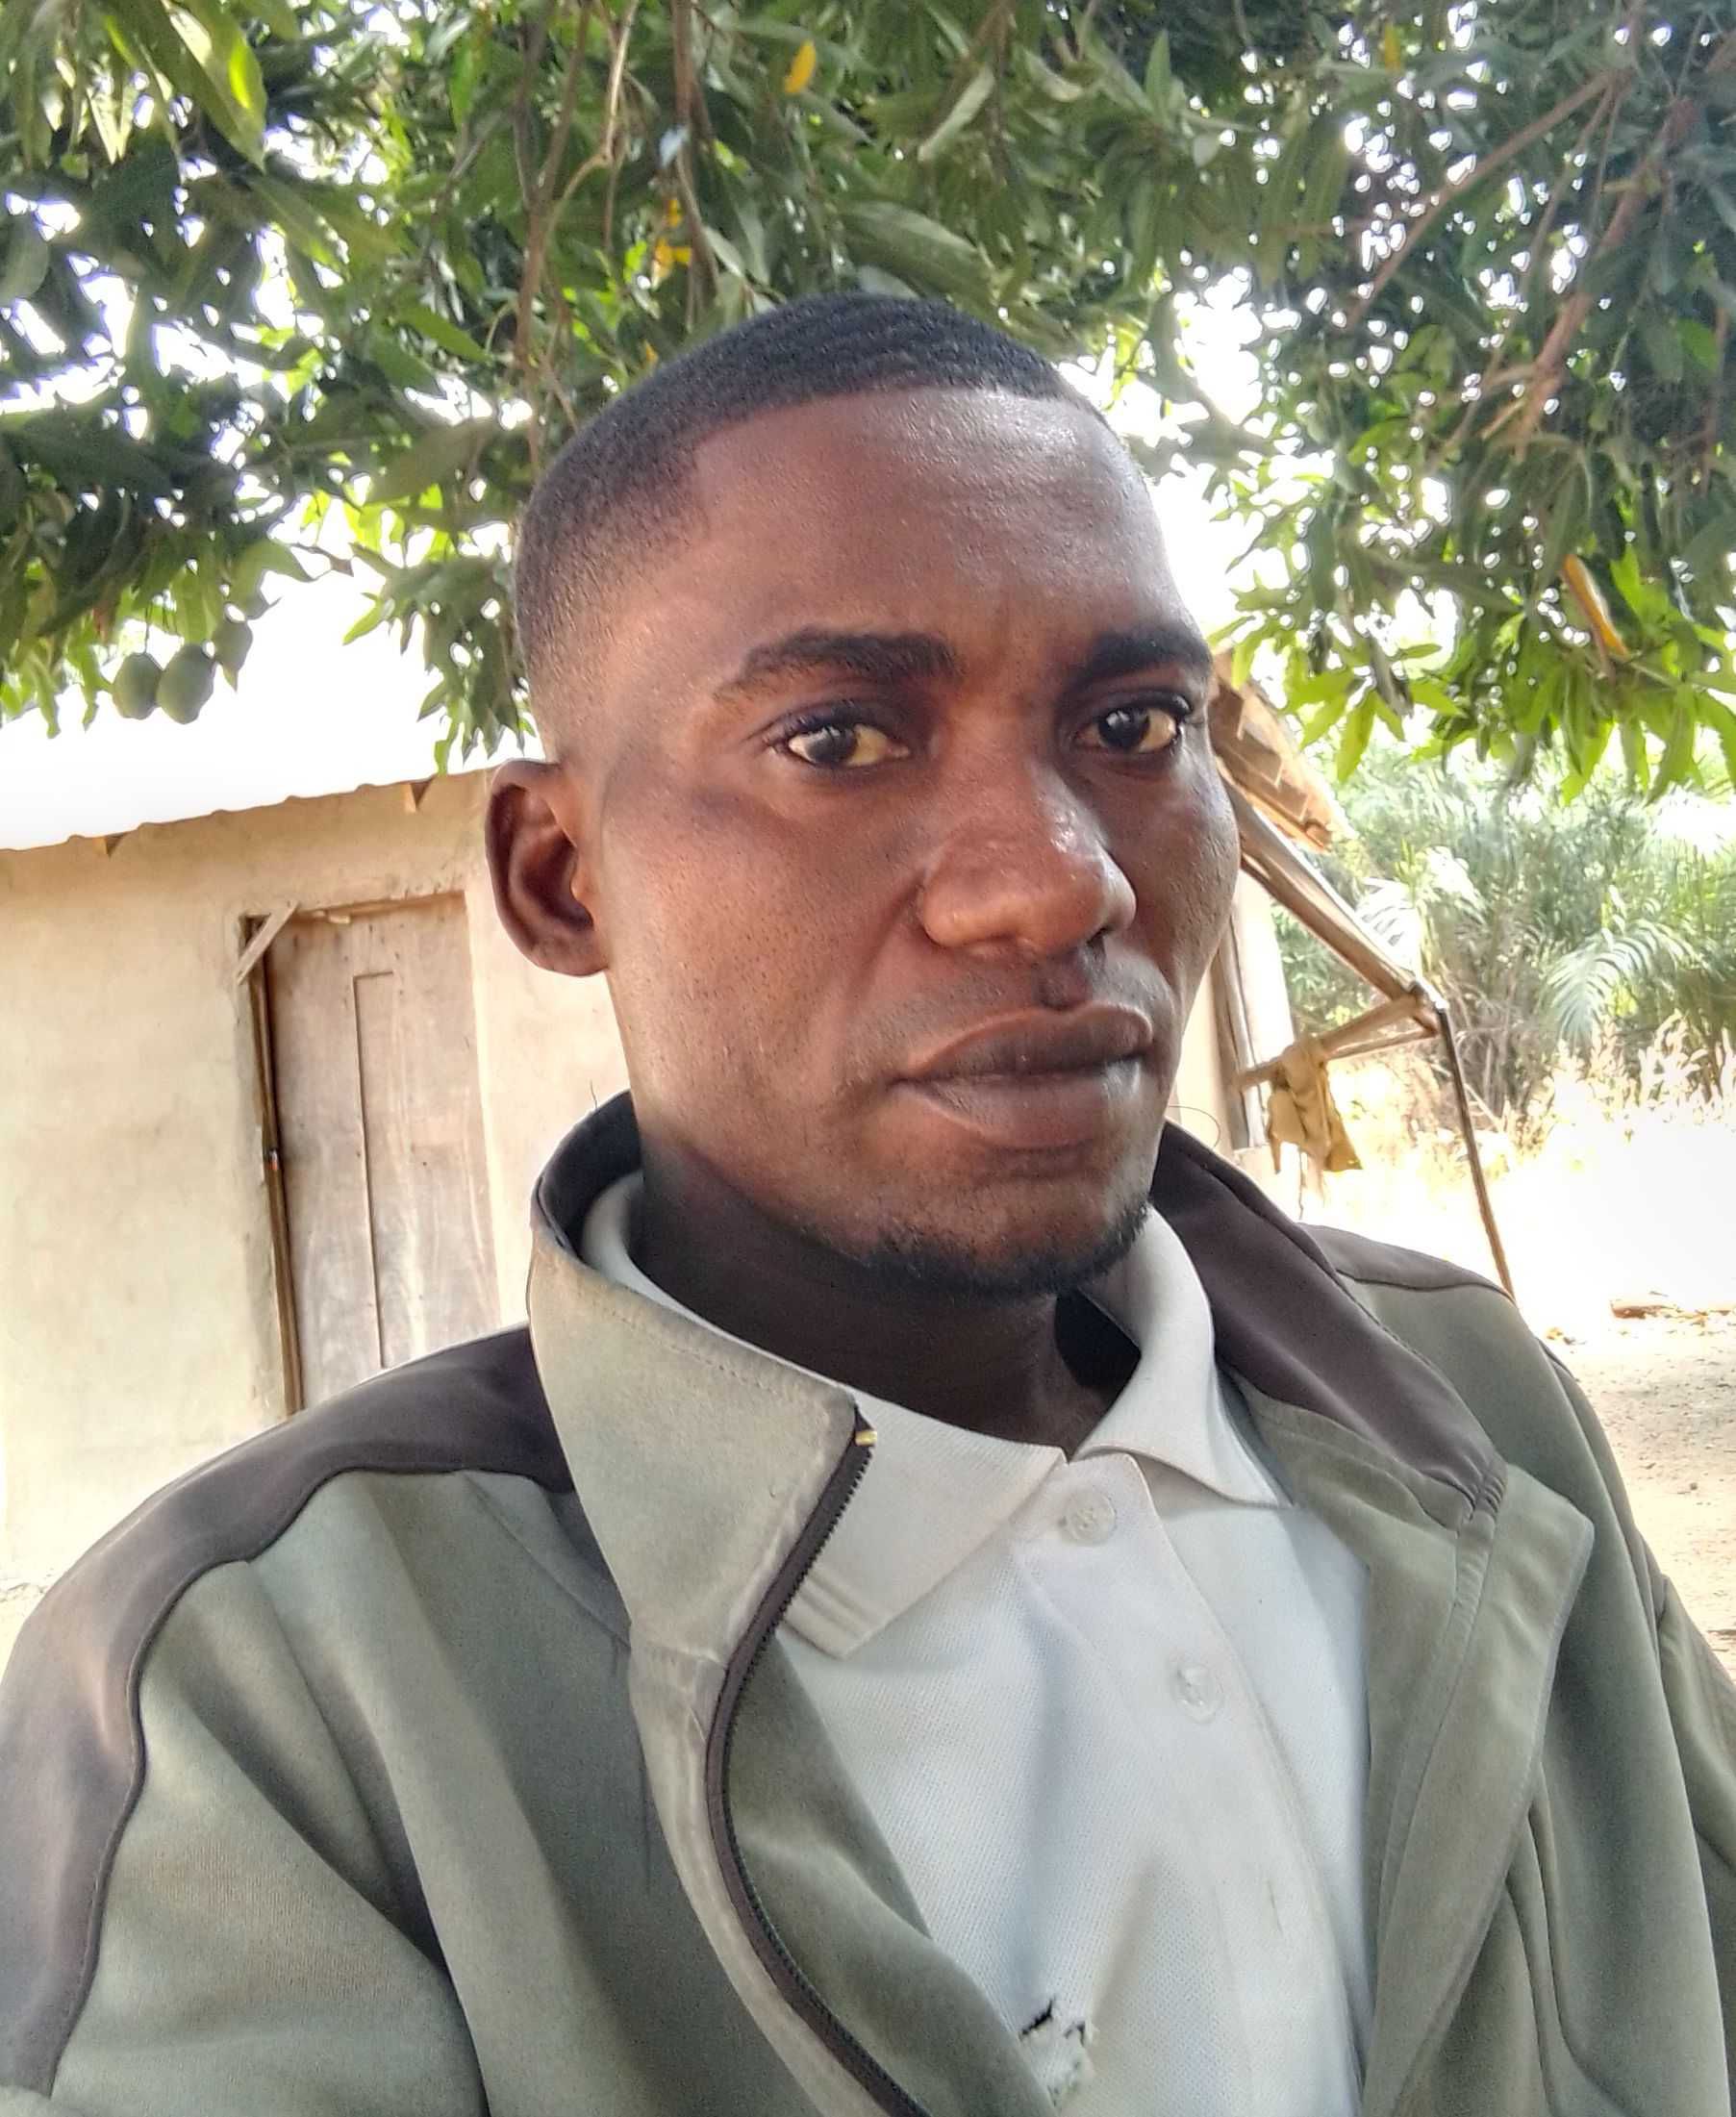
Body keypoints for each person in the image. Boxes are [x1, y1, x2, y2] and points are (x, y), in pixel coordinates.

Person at [1, 292, 1731, 2117]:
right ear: (563, 877)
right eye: (838, 740)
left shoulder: (1456, 1401)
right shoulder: (261, 1696)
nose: (1052, 883)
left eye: (1133, 721)